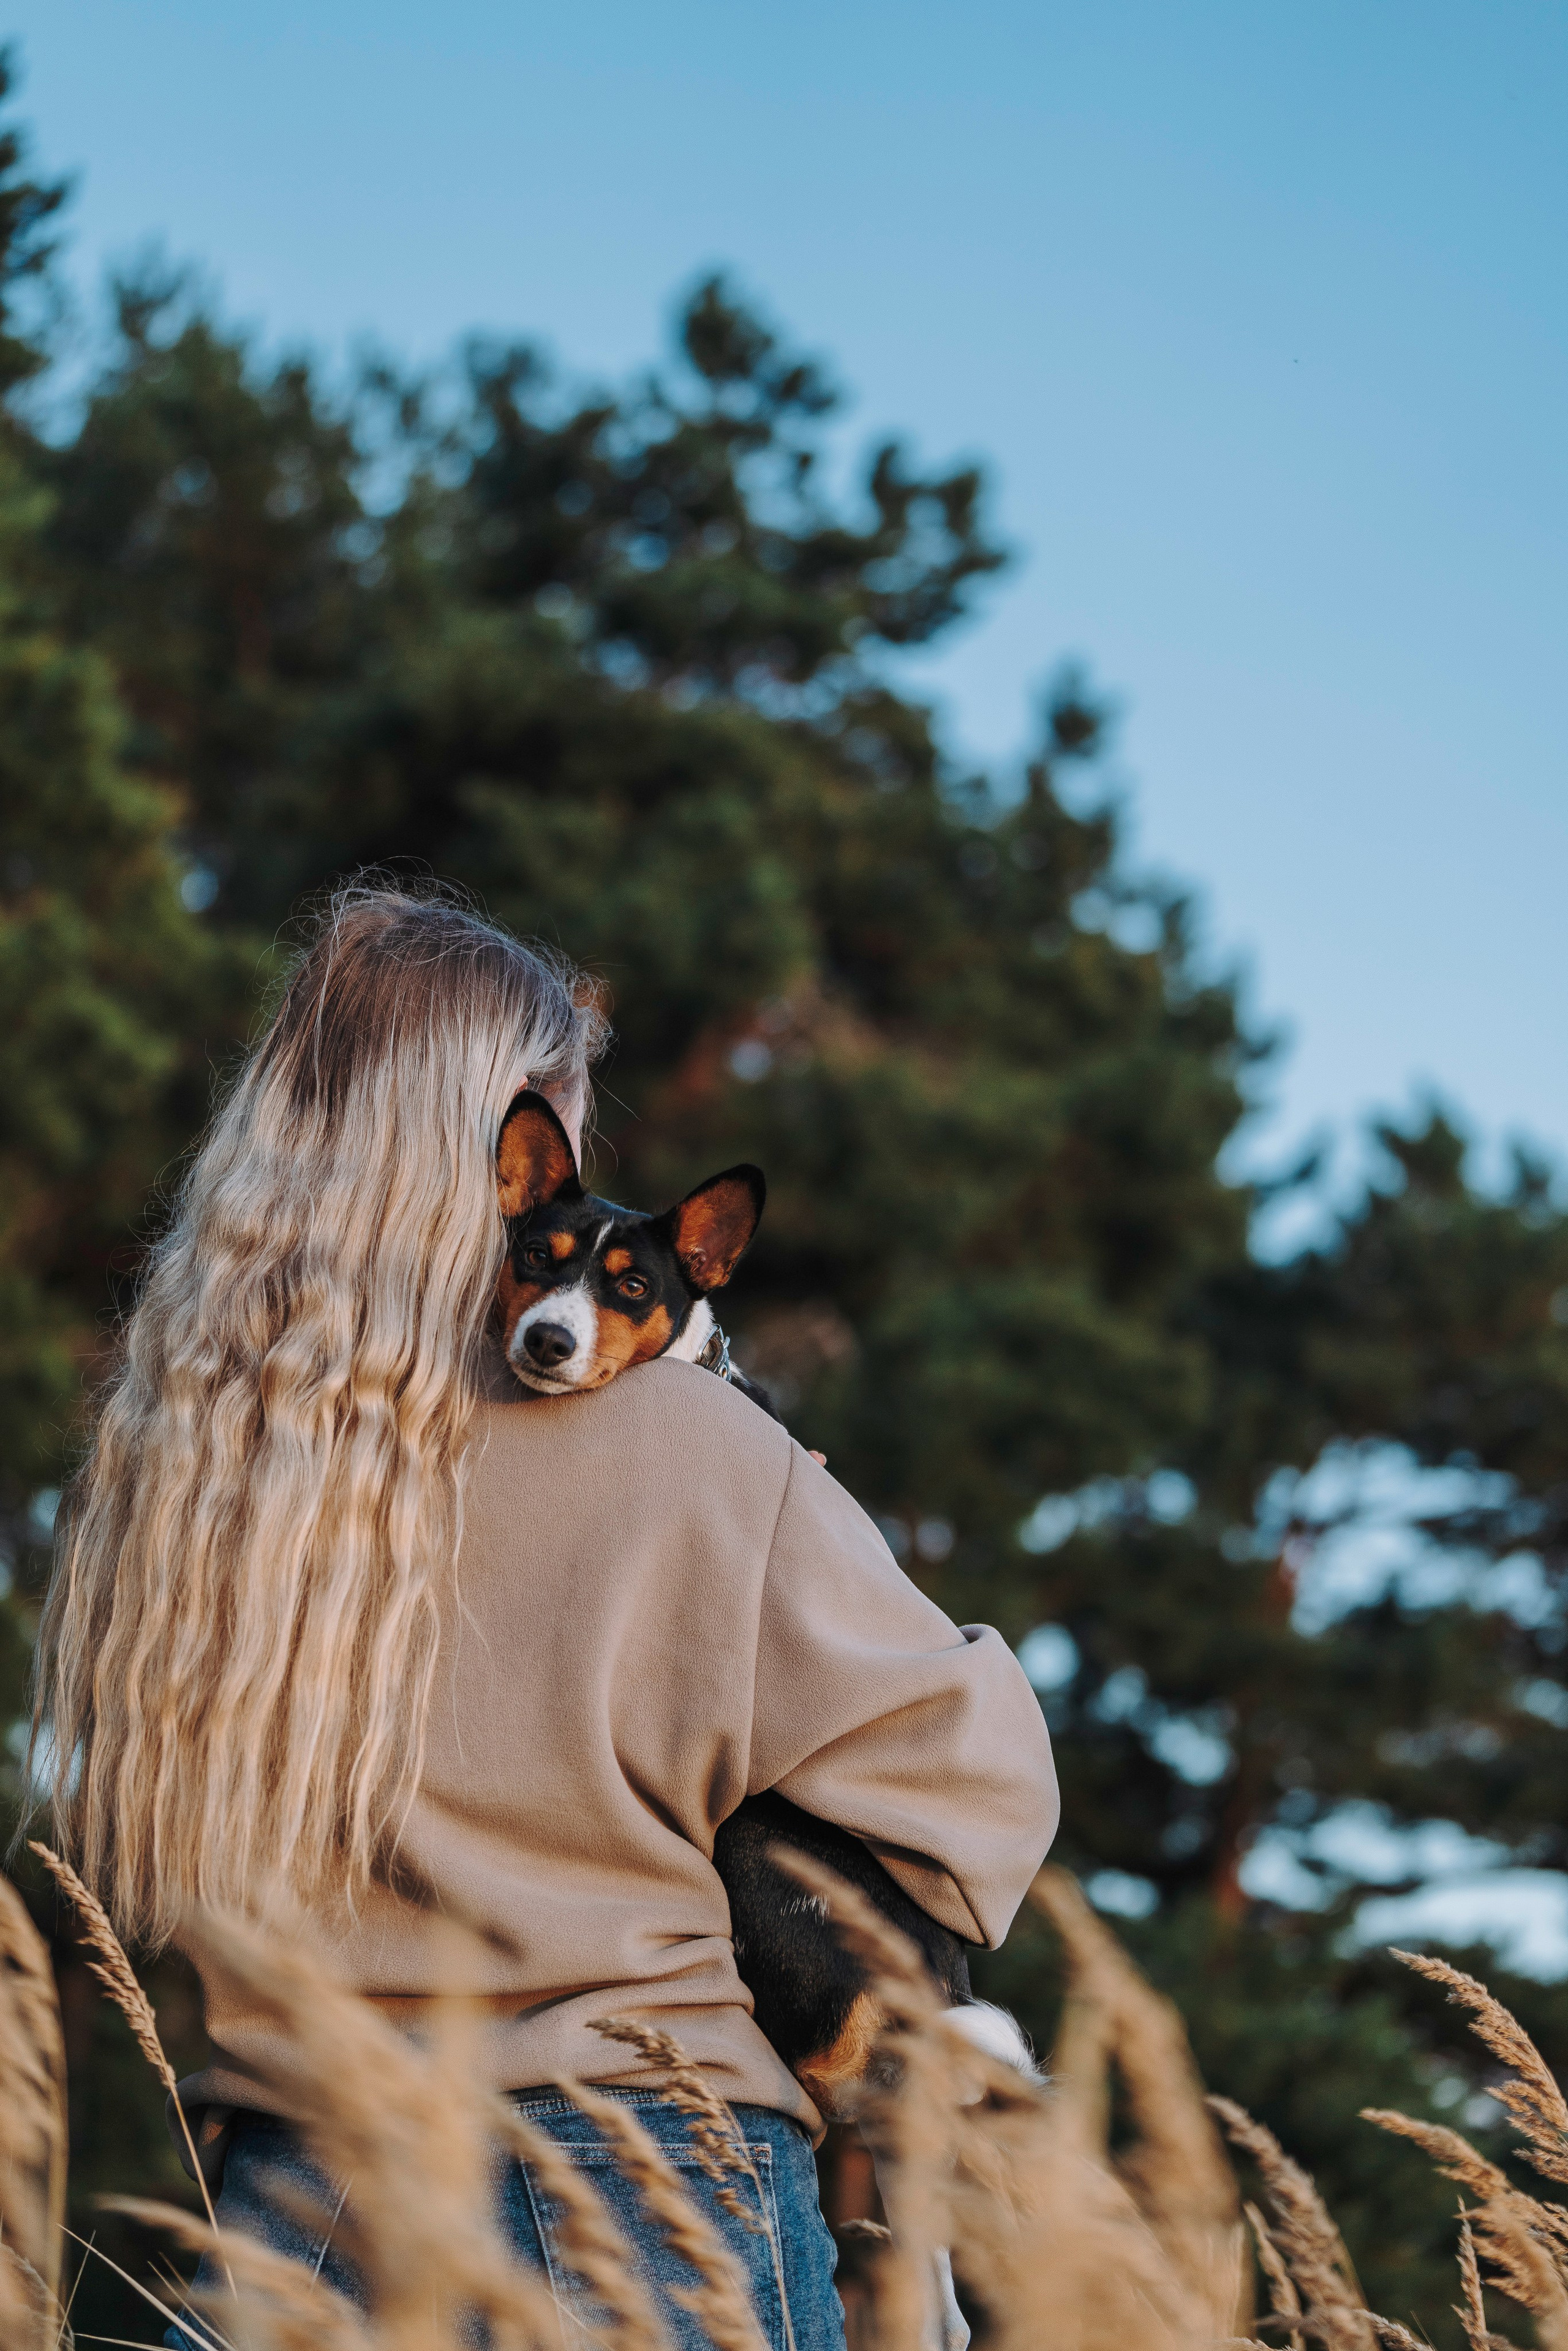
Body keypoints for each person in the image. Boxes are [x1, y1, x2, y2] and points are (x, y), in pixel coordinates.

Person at [29, 885, 1058, 2351]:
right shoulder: (696, 1443)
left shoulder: (179, 1472)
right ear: (500, 1144)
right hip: (645, 2203)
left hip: (294, 2212)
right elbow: (976, 1804)